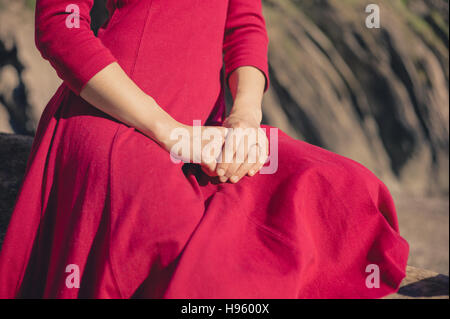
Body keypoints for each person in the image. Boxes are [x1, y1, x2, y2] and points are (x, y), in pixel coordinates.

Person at [0, 0, 409, 298]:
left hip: (208, 131)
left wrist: (244, 122)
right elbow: (59, 25)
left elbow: (244, 23)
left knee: (341, 190)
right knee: (195, 261)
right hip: (117, 122)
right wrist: (173, 134)